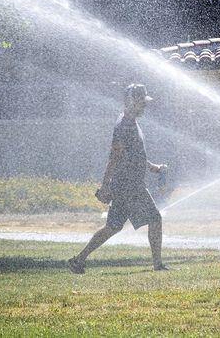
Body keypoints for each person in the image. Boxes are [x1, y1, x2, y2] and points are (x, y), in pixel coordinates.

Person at [68, 84, 168, 273]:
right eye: (142, 102)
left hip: (126, 184)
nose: (145, 107)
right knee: (155, 218)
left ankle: (78, 260)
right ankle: (158, 265)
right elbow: (114, 157)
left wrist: (153, 167)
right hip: (129, 185)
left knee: (113, 226)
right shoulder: (124, 125)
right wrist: (105, 186)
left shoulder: (131, 122)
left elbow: (137, 154)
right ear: (132, 101)